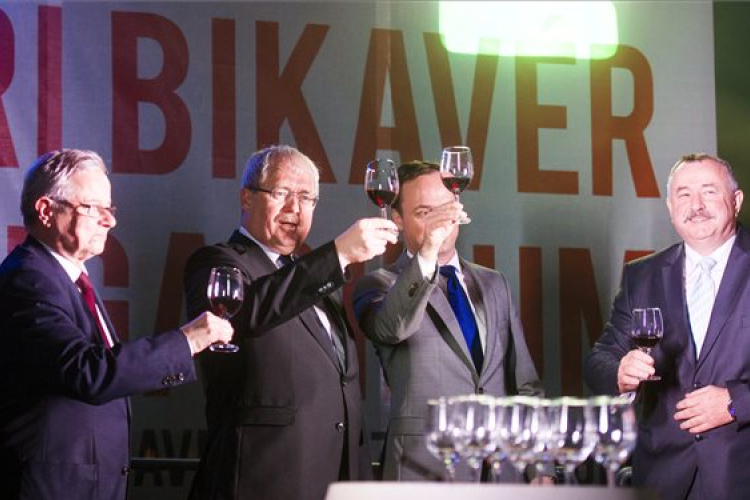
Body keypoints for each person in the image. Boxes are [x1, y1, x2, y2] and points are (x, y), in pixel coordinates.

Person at [0, 149, 234, 500]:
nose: (109, 221)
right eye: (93, 208)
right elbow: (88, 372)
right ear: (46, 211)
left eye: (110, 209)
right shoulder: (28, 280)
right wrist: (187, 340)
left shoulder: (68, 279)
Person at [183, 144, 398, 500]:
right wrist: (339, 254)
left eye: (306, 198)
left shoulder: (319, 278)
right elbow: (244, 312)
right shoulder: (218, 262)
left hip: (335, 479)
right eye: (282, 193)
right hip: (263, 480)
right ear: (247, 198)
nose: (294, 208)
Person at [352, 160, 545, 482]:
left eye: (445, 209)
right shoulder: (378, 285)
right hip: (424, 469)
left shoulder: (494, 283)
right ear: (397, 219)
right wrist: (429, 249)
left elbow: (524, 383)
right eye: (425, 213)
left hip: (501, 470)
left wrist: (540, 466)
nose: (441, 222)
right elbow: (392, 328)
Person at [585, 153, 750, 499]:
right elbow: (600, 358)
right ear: (671, 207)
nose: (696, 205)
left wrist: (737, 402)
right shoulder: (642, 275)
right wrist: (620, 371)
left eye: (709, 191)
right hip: (662, 480)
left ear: (736, 201)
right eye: (684, 194)